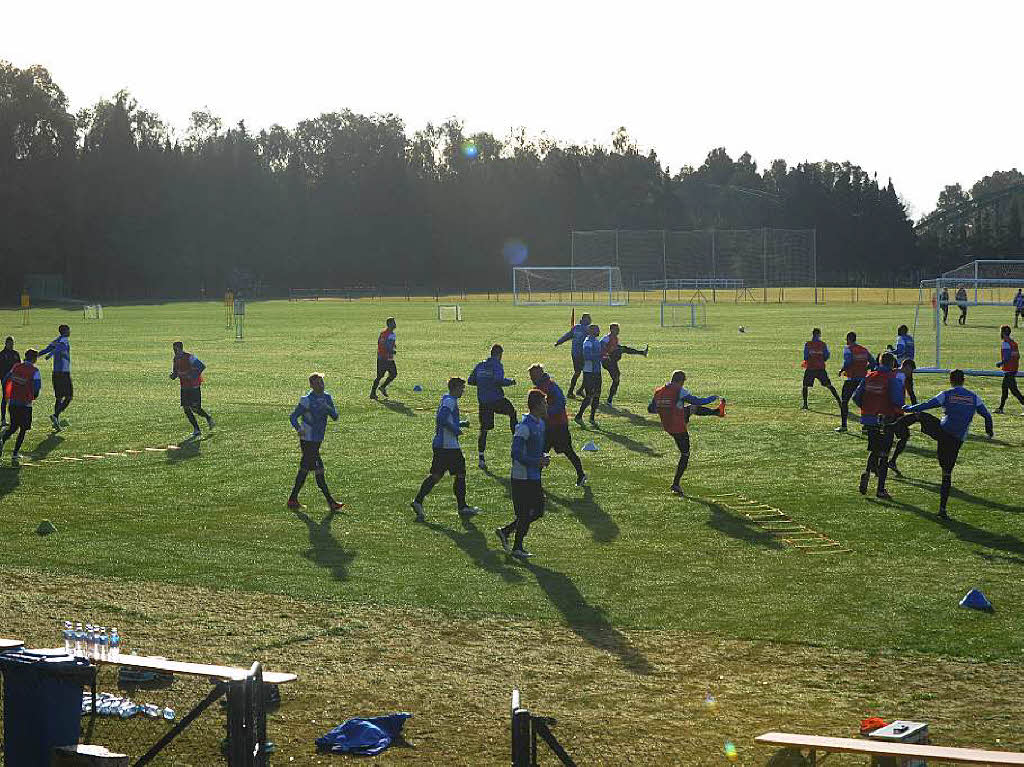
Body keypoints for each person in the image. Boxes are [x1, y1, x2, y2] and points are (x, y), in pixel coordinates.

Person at [896, 369, 994, 518]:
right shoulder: (974, 397)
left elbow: (928, 405)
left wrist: (910, 408)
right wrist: (989, 431)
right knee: (946, 474)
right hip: (956, 440)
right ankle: (942, 509)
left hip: (942, 433)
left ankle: (893, 426)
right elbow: (987, 415)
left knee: (920, 416)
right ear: (963, 380)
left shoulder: (947, 394)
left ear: (951, 380)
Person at [410, 377, 480, 522]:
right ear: (455, 388)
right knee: (460, 474)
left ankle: (418, 501)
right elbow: (441, 419)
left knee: (436, 476)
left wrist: (461, 424)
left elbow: (445, 419)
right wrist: (455, 429)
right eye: (462, 388)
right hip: (448, 446)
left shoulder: (447, 399)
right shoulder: (450, 401)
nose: (463, 391)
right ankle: (462, 507)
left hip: (442, 445)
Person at [649, 370, 723, 497]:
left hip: (668, 424)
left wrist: (666, 408)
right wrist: (713, 397)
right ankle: (676, 484)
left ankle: (717, 412)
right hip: (678, 427)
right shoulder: (679, 390)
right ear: (681, 381)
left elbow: (651, 409)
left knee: (691, 409)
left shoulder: (659, 391)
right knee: (685, 454)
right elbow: (698, 401)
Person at [494, 389, 549, 559]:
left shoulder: (540, 423)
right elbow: (516, 453)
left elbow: (533, 450)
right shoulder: (525, 427)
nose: (547, 405)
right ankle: (517, 547)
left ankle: (506, 531)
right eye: (544, 403)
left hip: (533, 476)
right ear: (538, 405)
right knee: (525, 513)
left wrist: (542, 457)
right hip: (522, 477)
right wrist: (536, 461)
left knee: (538, 510)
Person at [287, 373, 344, 511]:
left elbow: (335, 417)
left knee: (304, 470)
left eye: (322, 382)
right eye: (318, 383)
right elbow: (293, 417)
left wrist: (328, 408)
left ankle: (292, 499)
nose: (321, 385)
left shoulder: (327, 397)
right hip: (307, 440)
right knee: (319, 471)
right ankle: (331, 502)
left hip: (317, 439)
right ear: (311, 385)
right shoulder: (306, 400)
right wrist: (299, 429)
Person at [851, 352, 904, 500]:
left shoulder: (869, 376)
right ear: (892, 364)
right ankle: (880, 489)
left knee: (874, 449)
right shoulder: (892, 379)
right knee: (884, 455)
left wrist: (866, 408)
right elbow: (897, 401)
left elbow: (856, 397)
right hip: (885, 420)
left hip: (869, 419)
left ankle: (867, 472)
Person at [528, 363, 586, 486]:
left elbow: (561, 403)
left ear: (539, 374)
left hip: (559, 426)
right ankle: (535, 481)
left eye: (533, 375)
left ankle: (581, 474)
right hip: (547, 427)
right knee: (542, 451)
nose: (531, 378)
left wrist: (546, 413)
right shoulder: (540, 387)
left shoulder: (551, 386)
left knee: (567, 451)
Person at [468, 344, 516, 470]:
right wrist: (510, 382)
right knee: (512, 413)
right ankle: (517, 441)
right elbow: (498, 380)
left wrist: (483, 383)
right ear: (499, 354)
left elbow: (470, 380)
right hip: (496, 400)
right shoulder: (497, 365)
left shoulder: (480, 365)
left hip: (484, 402)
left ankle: (481, 458)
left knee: (484, 430)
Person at [0, 349, 41, 462]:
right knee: (23, 429)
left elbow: (5, 380)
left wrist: (7, 393)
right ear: (34, 359)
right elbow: (37, 387)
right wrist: (34, 396)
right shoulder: (35, 371)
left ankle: (2, 440)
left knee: (13, 427)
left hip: (13, 403)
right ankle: (15, 453)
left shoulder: (16, 367)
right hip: (25, 404)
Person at [170, 341, 215, 439]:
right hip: (184, 387)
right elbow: (175, 372)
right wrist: (173, 375)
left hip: (194, 386)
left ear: (180, 348)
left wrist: (192, 376)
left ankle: (208, 418)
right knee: (186, 408)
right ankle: (197, 429)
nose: (174, 351)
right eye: (173, 349)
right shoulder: (175, 359)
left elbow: (201, 366)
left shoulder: (189, 357)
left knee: (196, 409)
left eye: (175, 349)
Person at [835, 331, 875, 433]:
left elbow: (848, 362)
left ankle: (844, 425)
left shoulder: (848, 349)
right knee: (865, 402)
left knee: (844, 402)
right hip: (862, 380)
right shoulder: (864, 349)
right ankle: (866, 426)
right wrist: (866, 368)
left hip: (851, 379)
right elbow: (873, 362)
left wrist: (842, 370)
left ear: (848, 339)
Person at [601, 323, 648, 406]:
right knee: (616, 378)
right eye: (617, 329)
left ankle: (610, 398)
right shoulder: (606, 338)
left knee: (617, 378)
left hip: (612, 361)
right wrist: (606, 355)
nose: (618, 331)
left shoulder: (615, 338)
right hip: (607, 361)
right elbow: (602, 345)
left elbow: (614, 347)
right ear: (611, 330)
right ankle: (609, 400)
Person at [40, 324, 72, 431]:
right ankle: (55, 415)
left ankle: (56, 422)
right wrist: (51, 355)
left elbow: (47, 348)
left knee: (58, 398)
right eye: (68, 330)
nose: (70, 332)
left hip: (56, 373)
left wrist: (37, 354)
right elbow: (59, 348)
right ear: (65, 331)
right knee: (69, 397)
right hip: (64, 373)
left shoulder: (56, 340)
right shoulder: (64, 340)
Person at [887, 359, 916, 476]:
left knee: (890, 439)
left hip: (889, 411)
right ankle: (890, 462)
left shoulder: (892, 372)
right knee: (903, 437)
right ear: (907, 367)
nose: (911, 373)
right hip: (895, 412)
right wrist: (915, 409)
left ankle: (882, 464)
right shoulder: (900, 376)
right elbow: (911, 395)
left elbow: (911, 394)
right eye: (911, 370)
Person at [801, 328, 841, 411]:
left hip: (811, 368)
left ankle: (805, 404)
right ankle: (839, 401)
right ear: (819, 335)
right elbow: (826, 355)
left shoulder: (808, 344)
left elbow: (805, 356)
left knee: (805, 386)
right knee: (829, 385)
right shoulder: (823, 344)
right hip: (820, 368)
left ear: (812, 334)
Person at [554, 313, 591, 398]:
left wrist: (559, 342)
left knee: (578, 372)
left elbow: (567, 336)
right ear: (584, 320)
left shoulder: (576, 328)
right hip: (583, 354)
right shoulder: (587, 329)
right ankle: (577, 391)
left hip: (574, 353)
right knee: (587, 373)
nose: (590, 320)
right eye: (588, 319)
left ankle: (574, 391)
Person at [574, 324, 603, 425]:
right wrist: (599, 355)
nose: (599, 331)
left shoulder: (596, 341)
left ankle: (592, 418)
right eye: (597, 329)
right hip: (589, 372)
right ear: (591, 331)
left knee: (597, 395)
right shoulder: (588, 342)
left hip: (597, 371)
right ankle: (579, 416)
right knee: (589, 395)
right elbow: (587, 356)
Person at [994, 325, 1024, 414]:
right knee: (1004, 389)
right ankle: (1000, 408)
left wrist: (1000, 363)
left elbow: (1006, 357)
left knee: (1014, 391)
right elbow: (1018, 356)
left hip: (1009, 370)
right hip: (1014, 368)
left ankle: (1001, 408)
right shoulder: (1013, 343)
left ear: (1002, 333)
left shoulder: (1005, 343)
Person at [886, 325, 917, 405]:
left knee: (899, 387)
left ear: (901, 331)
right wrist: (893, 349)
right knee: (910, 390)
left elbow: (900, 351)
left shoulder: (901, 338)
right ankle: (916, 408)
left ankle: (897, 406)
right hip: (910, 364)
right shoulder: (910, 338)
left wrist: (890, 352)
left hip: (902, 364)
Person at [370, 317, 397, 399]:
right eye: (393, 322)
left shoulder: (384, 332)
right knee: (382, 375)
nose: (395, 324)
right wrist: (391, 351)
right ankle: (374, 392)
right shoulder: (390, 334)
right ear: (389, 324)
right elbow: (384, 345)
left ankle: (380, 388)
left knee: (392, 374)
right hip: (384, 358)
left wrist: (393, 346)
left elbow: (379, 342)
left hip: (384, 358)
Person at [0, 337, 20, 429]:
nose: (11, 345)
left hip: (15, 380)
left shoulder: (16, 354)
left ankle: (14, 419)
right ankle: (3, 419)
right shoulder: (2, 354)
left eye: (12, 344)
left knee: (15, 399)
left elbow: (19, 366)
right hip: (5, 380)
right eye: (10, 344)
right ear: (6, 344)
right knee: (6, 398)